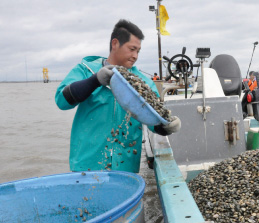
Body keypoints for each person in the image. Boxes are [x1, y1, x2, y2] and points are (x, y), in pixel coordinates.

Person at [55, 19, 180, 173]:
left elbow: (152, 120)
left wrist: (166, 126)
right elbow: (62, 101)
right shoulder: (86, 69)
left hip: (125, 167)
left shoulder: (144, 83)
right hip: (88, 166)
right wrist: (95, 80)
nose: (135, 56)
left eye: (138, 51)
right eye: (132, 49)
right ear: (115, 44)